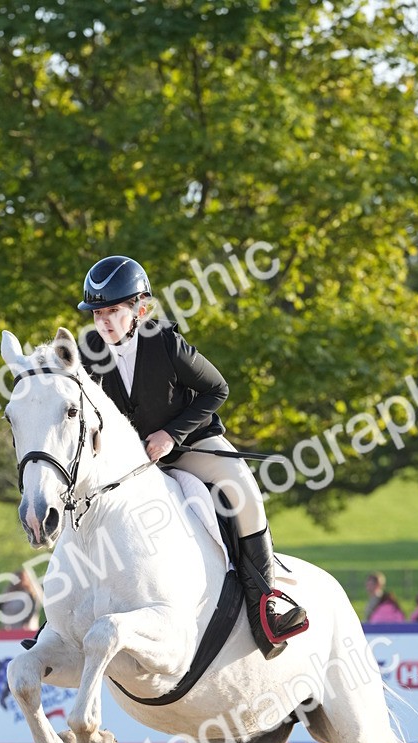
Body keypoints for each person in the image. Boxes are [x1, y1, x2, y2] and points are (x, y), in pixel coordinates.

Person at [76, 255, 307, 660]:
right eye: (98, 313)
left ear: (139, 310)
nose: (104, 322)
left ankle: (265, 603)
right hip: (130, 465)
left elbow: (217, 389)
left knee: (242, 488)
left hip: (188, 448)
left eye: (113, 311)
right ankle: (62, 617)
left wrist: (171, 434)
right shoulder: (88, 352)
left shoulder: (166, 343)